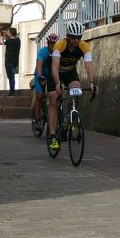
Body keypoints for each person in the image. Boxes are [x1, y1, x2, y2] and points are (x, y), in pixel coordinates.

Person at [46, 21, 98, 152]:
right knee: (53, 100)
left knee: (77, 91)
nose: (76, 40)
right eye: (74, 37)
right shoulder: (59, 45)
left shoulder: (84, 46)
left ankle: (69, 117)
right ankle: (52, 136)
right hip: (56, 73)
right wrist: (57, 83)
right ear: (68, 36)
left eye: (79, 37)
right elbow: (54, 68)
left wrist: (92, 82)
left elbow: (89, 65)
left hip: (70, 73)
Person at [32, 33, 59, 132]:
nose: (53, 46)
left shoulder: (59, 52)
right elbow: (39, 65)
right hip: (41, 75)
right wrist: (40, 76)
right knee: (39, 95)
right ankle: (37, 119)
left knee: (56, 97)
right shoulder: (42, 51)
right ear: (48, 43)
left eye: (55, 43)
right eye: (51, 43)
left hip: (51, 76)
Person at [0, 28, 21, 96]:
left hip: (8, 61)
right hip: (15, 61)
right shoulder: (18, 40)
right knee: (12, 76)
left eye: (9, 32)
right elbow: (12, 38)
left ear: (10, 33)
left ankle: (12, 92)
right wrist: (6, 35)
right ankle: (12, 90)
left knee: (10, 77)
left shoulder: (8, 41)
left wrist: (0, 35)